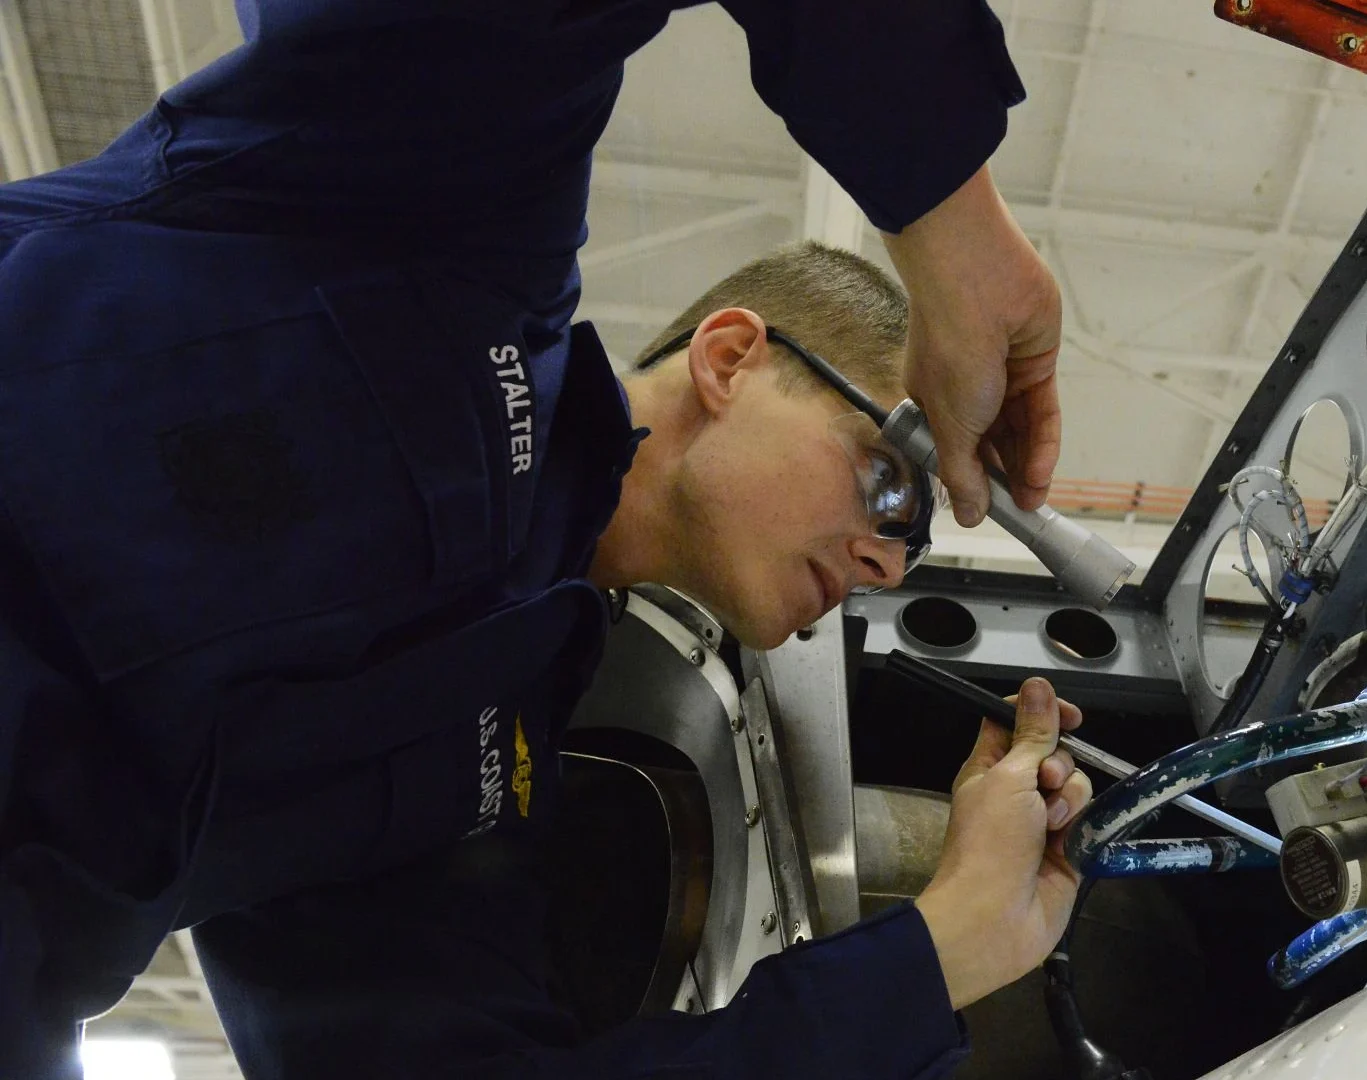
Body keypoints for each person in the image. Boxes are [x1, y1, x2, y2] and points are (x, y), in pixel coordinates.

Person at [0, 1, 1079, 1076]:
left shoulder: (475, 795)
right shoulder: (454, 232)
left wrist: (939, 953)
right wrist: (952, 220)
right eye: (892, 482)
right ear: (734, 357)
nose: (888, 562)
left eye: (914, 552)